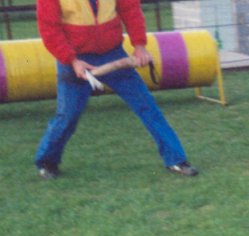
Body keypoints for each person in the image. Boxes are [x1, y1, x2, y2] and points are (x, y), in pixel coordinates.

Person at [35, 0, 198, 179]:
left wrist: (140, 46)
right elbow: (49, 28)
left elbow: (130, 9)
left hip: (113, 53)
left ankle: (176, 160)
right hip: (76, 59)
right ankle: (47, 163)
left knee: (147, 107)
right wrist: (71, 60)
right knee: (67, 116)